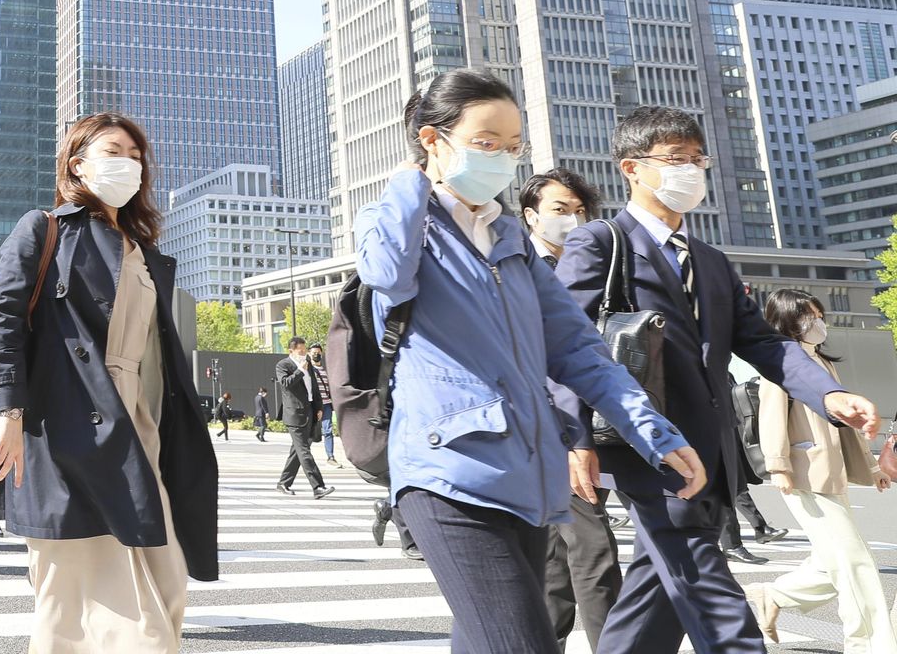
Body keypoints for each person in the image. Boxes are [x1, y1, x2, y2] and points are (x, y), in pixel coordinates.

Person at [359, 71, 707, 654]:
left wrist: (652, 432)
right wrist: (407, 185)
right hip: (448, 475)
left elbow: (579, 351)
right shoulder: (401, 223)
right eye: (486, 143)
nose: (502, 158)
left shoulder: (511, 241)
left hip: (528, 478)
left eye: (513, 146)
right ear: (432, 140)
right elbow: (386, 276)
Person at [556, 106, 880, 654]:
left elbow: (762, 342)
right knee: (709, 589)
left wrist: (830, 393)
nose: (691, 170)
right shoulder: (600, 244)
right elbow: (564, 346)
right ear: (632, 168)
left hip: (712, 448)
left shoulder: (710, 260)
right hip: (647, 448)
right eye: (675, 160)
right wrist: (575, 438)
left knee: (653, 595)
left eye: (696, 159)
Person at [0, 111, 219, 652]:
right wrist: (10, 414)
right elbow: (2, 319)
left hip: (141, 424)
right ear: (77, 164)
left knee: (166, 579)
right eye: (113, 152)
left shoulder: (142, 250)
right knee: (88, 609)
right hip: (70, 423)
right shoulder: (44, 230)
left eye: (136, 156)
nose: (129, 164)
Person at [750, 289, 894, 650]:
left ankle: (773, 595)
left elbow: (845, 421)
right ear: (787, 319)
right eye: (807, 316)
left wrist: (873, 465)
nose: (818, 323)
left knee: (834, 560)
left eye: (818, 315)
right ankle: (869, 645)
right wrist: (779, 466)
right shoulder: (781, 360)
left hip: (831, 473)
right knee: (854, 561)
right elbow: (770, 417)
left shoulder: (821, 361)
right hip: (804, 474)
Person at [521, 165, 623, 654]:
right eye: (560, 210)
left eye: (581, 211)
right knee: (591, 551)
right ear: (530, 216)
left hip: (578, 427)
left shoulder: (599, 270)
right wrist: (573, 440)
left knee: (559, 560)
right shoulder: (517, 266)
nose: (573, 219)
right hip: (543, 431)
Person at [721, 373, 786, 565]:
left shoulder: (723, 371)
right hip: (705, 436)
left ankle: (753, 533)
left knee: (735, 487)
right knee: (726, 490)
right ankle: (735, 542)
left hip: (728, 434)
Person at [274, 337, 331, 497]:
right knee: (304, 451)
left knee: (297, 452)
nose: (304, 352)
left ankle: (283, 483)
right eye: (301, 350)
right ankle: (318, 487)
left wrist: (318, 407)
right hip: (294, 415)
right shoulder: (283, 365)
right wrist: (300, 370)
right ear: (291, 350)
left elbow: (314, 387)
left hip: (310, 412)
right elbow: (285, 383)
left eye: (304, 349)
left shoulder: (308, 365)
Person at [308, 344, 337, 463]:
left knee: (328, 430)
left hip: (326, 404)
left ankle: (330, 456)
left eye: (318, 352)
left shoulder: (326, 370)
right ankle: (304, 456)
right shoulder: (308, 370)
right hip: (313, 405)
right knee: (309, 430)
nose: (316, 355)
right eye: (314, 353)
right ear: (309, 354)